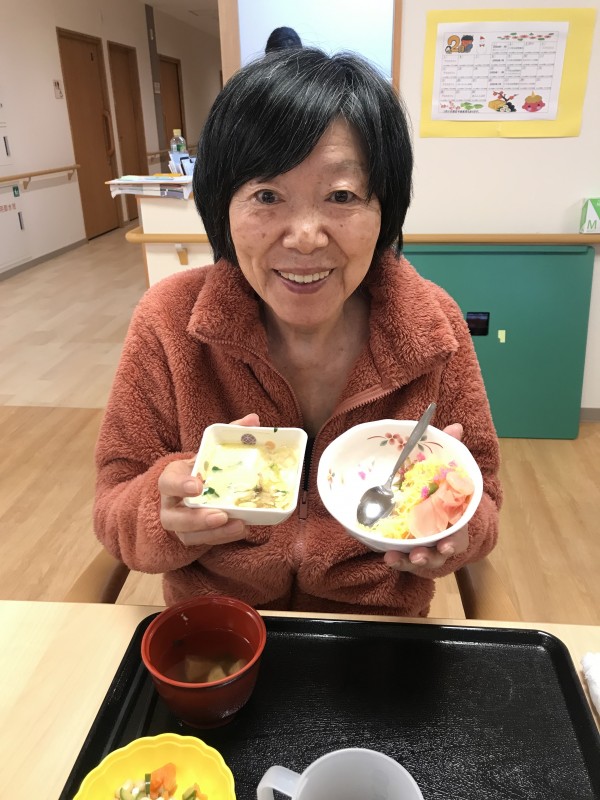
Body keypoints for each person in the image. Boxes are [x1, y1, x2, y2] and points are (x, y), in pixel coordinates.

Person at [94, 48, 502, 617]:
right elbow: (114, 499)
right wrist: (162, 512)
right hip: (222, 628)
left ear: (385, 208)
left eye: (341, 197)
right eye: (267, 196)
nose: (306, 236)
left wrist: (454, 525)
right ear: (222, 206)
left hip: (377, 634)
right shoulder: (170, 321)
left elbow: (484, 498)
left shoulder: (432, 327)